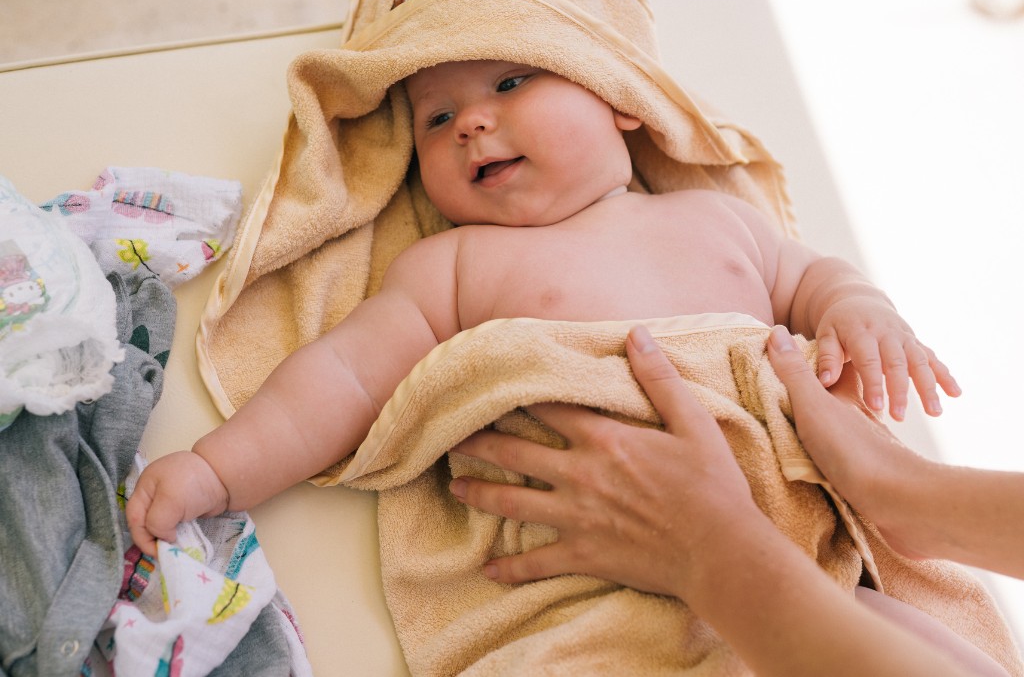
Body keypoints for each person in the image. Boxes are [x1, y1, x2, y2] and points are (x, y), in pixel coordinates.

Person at [125, 58, 967, 664]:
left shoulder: (716, 220)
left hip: (796, 556)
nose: (470, 123)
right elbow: (341, 378)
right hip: (601, 584)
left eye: (509, 83)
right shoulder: (457, 266)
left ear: (619, 102)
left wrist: (861, 313)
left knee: (921, 645)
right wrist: (217, 470)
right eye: (435, 120)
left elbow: (815, 280)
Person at [446, 323, 1024, 676]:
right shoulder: (461, 257)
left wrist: (706, 544)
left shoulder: (710, 219)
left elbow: (797, 271)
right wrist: (905, 490)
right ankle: (910, 503)